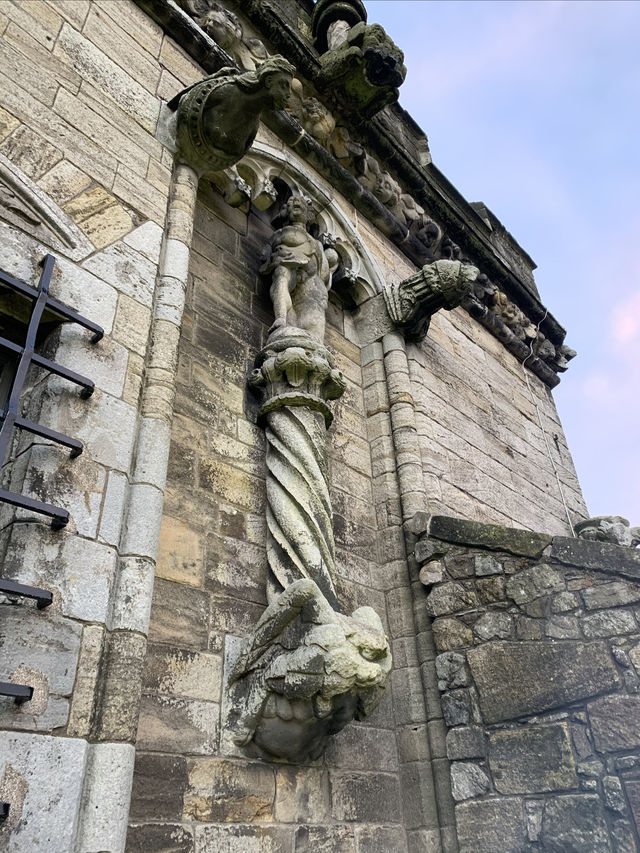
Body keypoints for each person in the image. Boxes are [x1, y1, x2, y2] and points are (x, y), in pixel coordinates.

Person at [260, 195, 339, 342]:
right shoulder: (278, 235)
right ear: (285, 211)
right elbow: (266, 260)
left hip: (311, 286)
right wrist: (276, 259)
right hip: (289, 274)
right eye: (291, 203)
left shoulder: (317, 245)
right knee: (281, 275)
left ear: (308, 214)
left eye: (300, 204)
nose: (295, 203)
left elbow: (324, 275)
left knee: (313, 327)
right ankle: (281, 318)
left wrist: (331, 264)